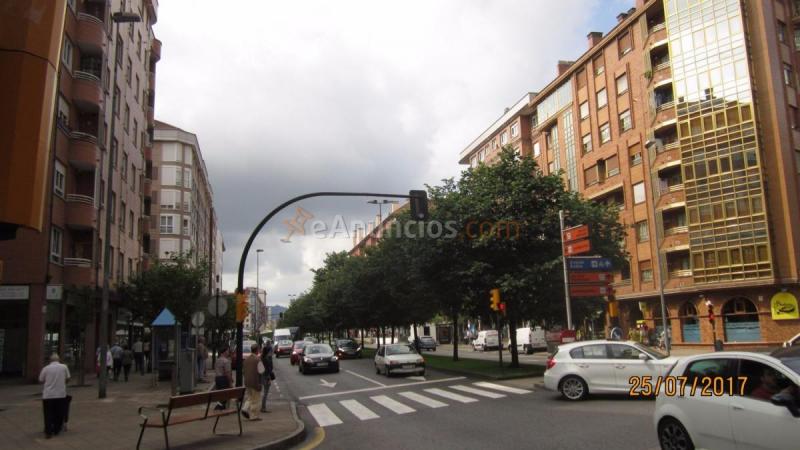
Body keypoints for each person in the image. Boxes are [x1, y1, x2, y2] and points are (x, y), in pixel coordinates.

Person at [39, 353, 70, 439]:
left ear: (50, 360)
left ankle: (48, 431)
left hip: (48, 395)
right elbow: (68, 378)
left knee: (48, 413)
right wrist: (63, 383)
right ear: (58, 359)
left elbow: (41, 379)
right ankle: (57, 429)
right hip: (60, 394)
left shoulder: (46, 368)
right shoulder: (64, 367)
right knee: (59, 413)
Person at [242, 344, 262, 420]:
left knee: (250, 397)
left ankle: (245, 408)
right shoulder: (257, 359)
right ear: (257, 350)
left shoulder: (246, 359)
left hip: (247, 382)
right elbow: (261, 371)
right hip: (255, 382)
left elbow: (243, 371)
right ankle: (254, 416)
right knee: (256, 399)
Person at [260, 341, 274, 413]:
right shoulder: (267, 359)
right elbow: (268, 370)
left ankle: (263, 406)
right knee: (265, 392)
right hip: (266, 376)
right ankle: (263, 407)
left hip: (262, 376)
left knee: (264, 392)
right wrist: (269, 379)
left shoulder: (262, 358)